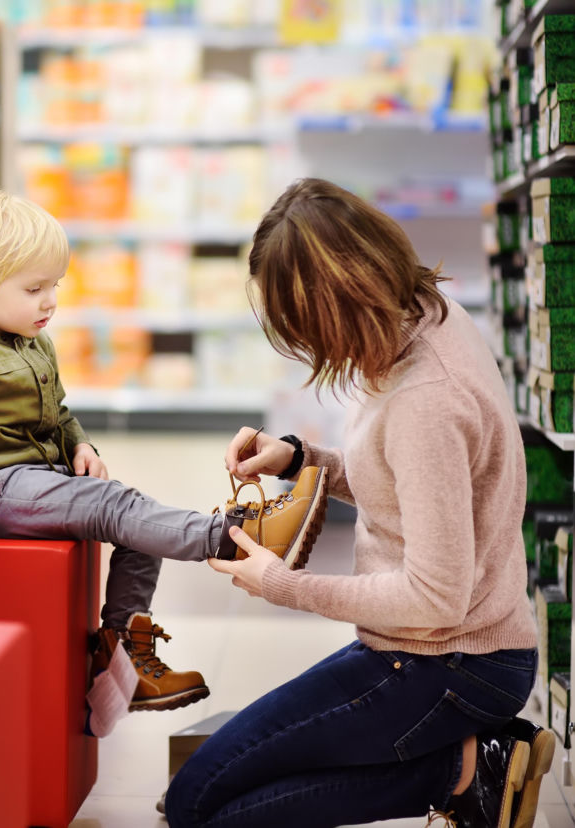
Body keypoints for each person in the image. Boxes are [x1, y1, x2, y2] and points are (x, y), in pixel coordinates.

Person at [163, 177, 554, 828]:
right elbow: (404, 485)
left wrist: (284, 585)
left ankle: (466, 769)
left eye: (306, 326)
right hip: (436, 648)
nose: (311, 347)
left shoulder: (426, 401)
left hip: (451, 663)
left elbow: (435, 598)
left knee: (200, 806)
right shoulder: (427, 315)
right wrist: (300, 460)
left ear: (343, 302)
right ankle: (458, 764)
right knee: (200, 795)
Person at [0, 187, 328, 714]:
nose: (50, 301)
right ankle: (234, 535)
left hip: (32, 480)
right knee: (116, 508)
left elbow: (57, 412)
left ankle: (123, 658)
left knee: (135, 523)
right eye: (34, 288)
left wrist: (79, 444)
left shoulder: (30, 339)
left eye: (55, 286)